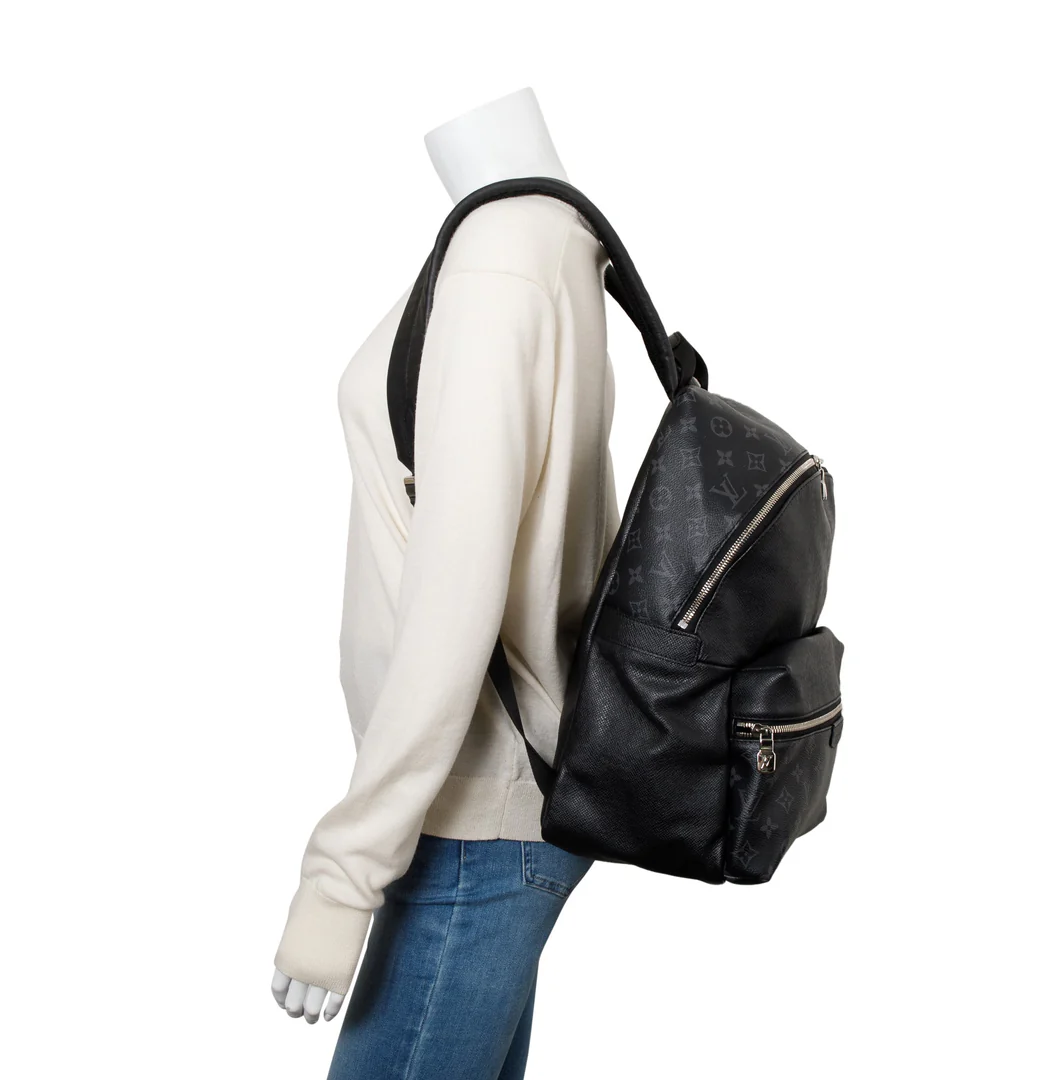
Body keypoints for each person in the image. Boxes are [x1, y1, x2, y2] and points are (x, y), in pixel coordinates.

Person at [270, 86, 619, 1079]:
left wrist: (343, 874)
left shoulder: (499, 262)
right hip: (494, 814)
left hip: (472, 824)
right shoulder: (550, 235)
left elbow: (456, 599)